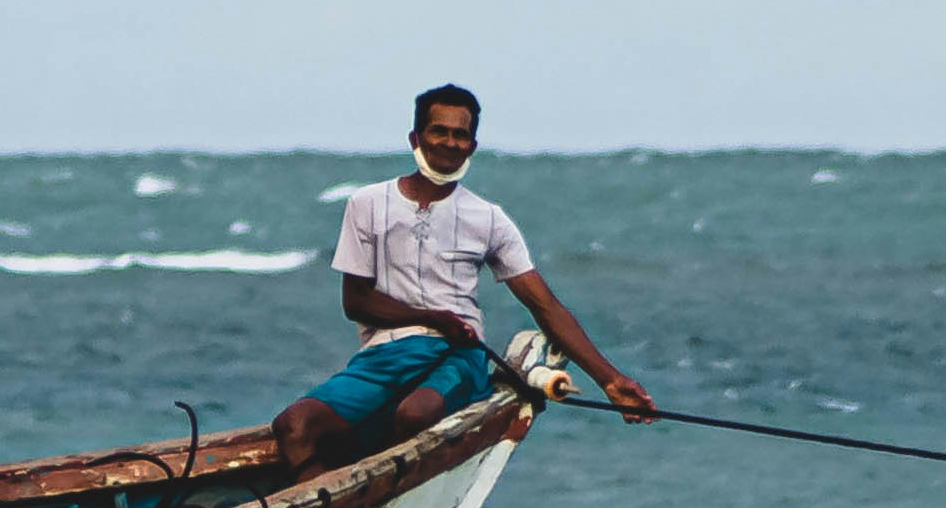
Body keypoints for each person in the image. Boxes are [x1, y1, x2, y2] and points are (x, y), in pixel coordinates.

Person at [266, 84, 655, 473]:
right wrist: (433, 318)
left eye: (460, 134)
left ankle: (379, 491)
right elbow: (356, 302)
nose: (450, 142)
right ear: (416, 138)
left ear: (471, 145)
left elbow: (545, 306)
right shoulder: (366, 204)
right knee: (294, 426)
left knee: (415, 416)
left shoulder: (487, 219)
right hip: (384, 357)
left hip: (459, 357)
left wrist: (611, 380)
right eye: (440, 131)